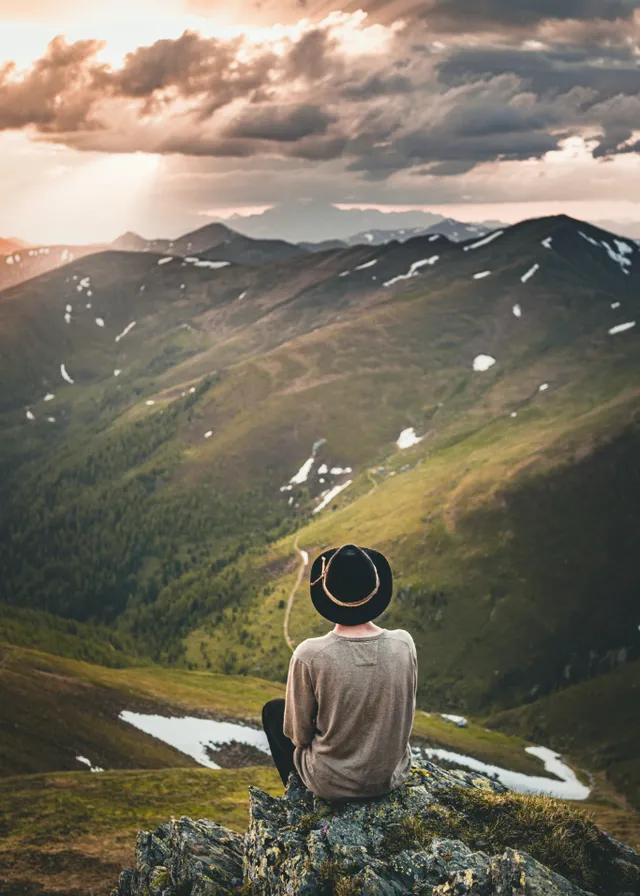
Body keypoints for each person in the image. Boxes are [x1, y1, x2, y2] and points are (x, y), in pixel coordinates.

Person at [262, 543, 417, 801]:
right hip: (392, 777)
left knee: (273, 711)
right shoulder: (404, 643)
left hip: (331, 784)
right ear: (375, 588)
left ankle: (298, 797)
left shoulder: (309, 654)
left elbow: (298, 736)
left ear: (327, 593)